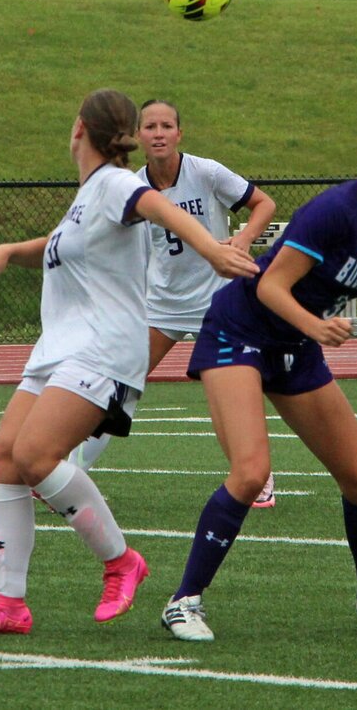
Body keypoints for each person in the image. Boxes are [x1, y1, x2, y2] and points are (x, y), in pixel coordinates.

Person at [0, 88, 258, 636]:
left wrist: (213, 249)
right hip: (58, 348)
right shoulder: (90, 195)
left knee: (36, 456)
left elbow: (155, 207)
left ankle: (122, 563)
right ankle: (9, 606)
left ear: (78, 130)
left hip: (100, 347)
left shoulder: (118, 184)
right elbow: (59, 242)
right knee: (5, 459)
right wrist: (6, 252)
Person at [159, 120, 357, 641]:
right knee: (251, 471)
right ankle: (183, 602)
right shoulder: (335, 210)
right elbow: (269, 286)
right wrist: (317, 327)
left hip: (296, 348)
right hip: (240, 330)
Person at [67, 99, 279, 508]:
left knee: (238, 391)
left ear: (179, 133)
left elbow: (264, 204)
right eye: (150, 126)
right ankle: (70, 475)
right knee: (120, 383)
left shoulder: (206, 171)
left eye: (167, 125)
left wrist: (244, 239)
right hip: (160, 304)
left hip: (217, 302)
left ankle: (260, 476)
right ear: (137, 137)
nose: (159, 133)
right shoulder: (131, 186)